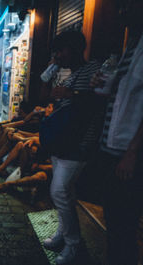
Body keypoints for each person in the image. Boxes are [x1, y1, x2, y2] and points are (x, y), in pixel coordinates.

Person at [41, 31, 103, 265]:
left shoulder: (94, 70)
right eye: (55, 51)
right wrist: (51, 70)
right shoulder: (69, 74)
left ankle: (73, 244)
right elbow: (44, 96)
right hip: (62, 142)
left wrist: (71, 94)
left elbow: (100, 101)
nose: (58, 55)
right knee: (65, 192)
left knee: (59, 191)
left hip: (79, 143)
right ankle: (62, 234)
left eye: (61, 50)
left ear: (76, 48)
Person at [91, 1, 143, 264]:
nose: (121, 13)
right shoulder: (131, 46)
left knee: (123, 224)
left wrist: (132, 153)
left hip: (127, 153)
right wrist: (105, 85)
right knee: (114, 219)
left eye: (128, 7)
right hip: (112, 148)